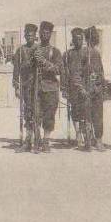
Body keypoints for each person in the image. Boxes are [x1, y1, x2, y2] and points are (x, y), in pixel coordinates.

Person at [33, 21, 63, 153]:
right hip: (36, 87)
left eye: (47, 33)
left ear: (50, 34)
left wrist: (44, 62)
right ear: (39, 34)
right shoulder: (34, 50)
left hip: (50, 88)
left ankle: (46, 141)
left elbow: (59, 70)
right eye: (42, 33)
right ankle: (37, 140)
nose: (44, 35)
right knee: (35, 115)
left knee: (49, 116)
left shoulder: (55, 52)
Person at [12, 23, 38, 152]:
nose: (29, 37)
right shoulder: (20, 51)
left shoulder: (39, 49)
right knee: (28, 112)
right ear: (24, 36)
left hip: (39, 86)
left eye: (31, 35)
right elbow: (16, 70)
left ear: (35, 36)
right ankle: (28, 141)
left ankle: (37, 140)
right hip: (26, 86)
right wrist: (17, 87)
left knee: (38, 113)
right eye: (27, 35)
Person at [81, 26, 106, 152]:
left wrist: (102, 86)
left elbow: (101, 72)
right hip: (86, 88)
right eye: (91, 38)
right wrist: (82, 87)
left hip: (97, 89)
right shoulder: (83, 53)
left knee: (98, 116)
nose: (93, 40)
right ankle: (88, 140)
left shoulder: (97, 53)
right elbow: (78, 72)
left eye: (95, 38)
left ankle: (99, 141)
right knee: (87, 116)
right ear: (87, 39)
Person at [63, 27, 87, 149]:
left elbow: (90, 72)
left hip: (85, 87)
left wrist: (86, 86)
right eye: (76, 39)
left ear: (83, 39)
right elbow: (64, 73)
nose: (78, 41)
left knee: (85, 111)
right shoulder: (68, 54)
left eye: (80, 39)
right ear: (72, 40)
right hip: (72, 87)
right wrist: (64, 89)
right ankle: (78, 135)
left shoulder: (87, 53)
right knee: (75, 111)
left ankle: (86, 135)